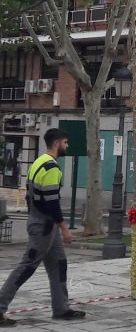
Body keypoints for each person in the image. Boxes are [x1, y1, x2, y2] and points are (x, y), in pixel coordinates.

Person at [0, 128, 85, 326]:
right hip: (45, 226)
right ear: (57, 144)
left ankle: (61, 308)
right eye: (65, 143)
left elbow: (31, 195)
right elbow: (51, 202)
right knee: (27, 267)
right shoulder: (52, 168)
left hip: (41, 222)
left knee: (59, 264)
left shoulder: (37, 162)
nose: (67, 146)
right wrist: (64, 228)